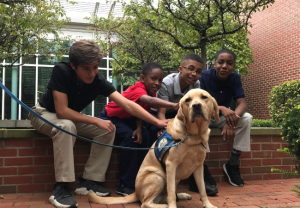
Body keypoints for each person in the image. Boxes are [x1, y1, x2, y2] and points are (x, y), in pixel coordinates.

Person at [28, 40, 169, 208]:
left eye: (95, 67)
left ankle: (89, 181)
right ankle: (61, 187)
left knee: (108, 129)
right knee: (67, 126)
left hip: (69, 118)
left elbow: (128, 104)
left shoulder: (98, 80)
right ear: (74, 66)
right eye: (86, 68)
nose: (92, 73)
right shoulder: (62, 71)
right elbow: (62, 111)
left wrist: (157, 121)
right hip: (43, 114)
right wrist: (96, 120)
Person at [99, 62, 179, 196]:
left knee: (145, 135)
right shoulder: (138, 89)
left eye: (160, 80)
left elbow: (140, 112)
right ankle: (124, 184)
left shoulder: (150, 92)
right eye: (153, 78)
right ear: (142, 78)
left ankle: (141, 179)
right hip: (111, 117)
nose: (157, 83)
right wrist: (175, 105)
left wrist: (139, 128)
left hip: (129, 118)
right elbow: (150, 103)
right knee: (130, 138)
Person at [147, 53, 218, 195]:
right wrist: (162, 127)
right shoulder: (167, 83)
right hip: (166, 115)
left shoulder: (196, 84)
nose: (194, 74)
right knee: (158, 140)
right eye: (190, 69)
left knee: (200, 132)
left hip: (185, 115)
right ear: (180, 68)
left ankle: (199, 176)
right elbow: (161, 112)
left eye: (198, 71)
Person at [197, 48, 253, 189]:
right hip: (206, 116)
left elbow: (242, 104)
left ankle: (232, 164)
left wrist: (231, 120)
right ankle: (201, 167)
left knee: (246, 118)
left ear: (234, 66)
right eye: (220, 62)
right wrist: (221, 108)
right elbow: (200, 103)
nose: (224, 66)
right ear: (214, 64)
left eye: (229, 63)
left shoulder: (235, 78)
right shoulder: (203, 76)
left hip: (223, 118)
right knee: (198, 120)